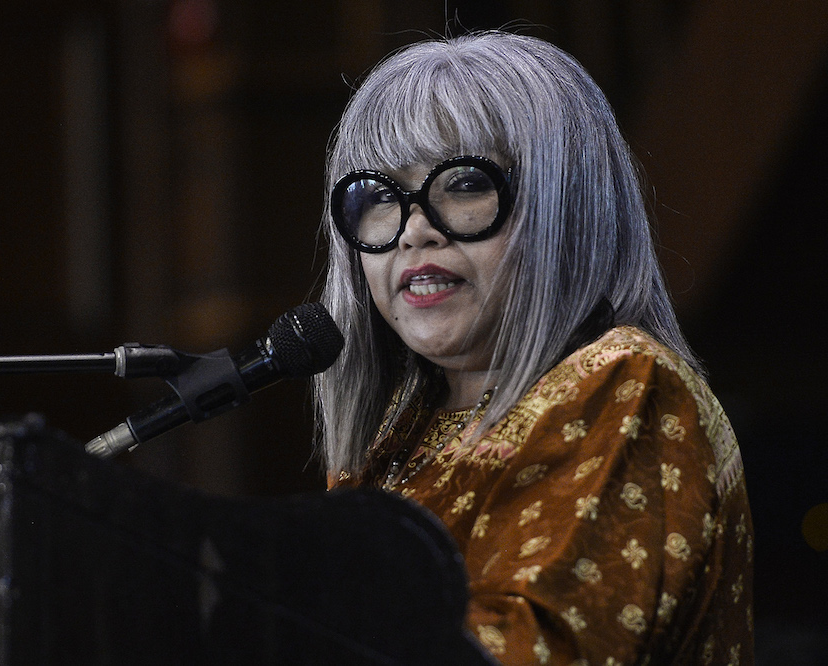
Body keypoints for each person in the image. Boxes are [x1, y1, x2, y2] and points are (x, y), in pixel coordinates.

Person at [313, 31, 754, 665]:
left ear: (565, 208)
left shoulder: (626, 384)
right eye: (380, 196)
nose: (414, 230)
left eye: (465, 184)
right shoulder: (398, 430)